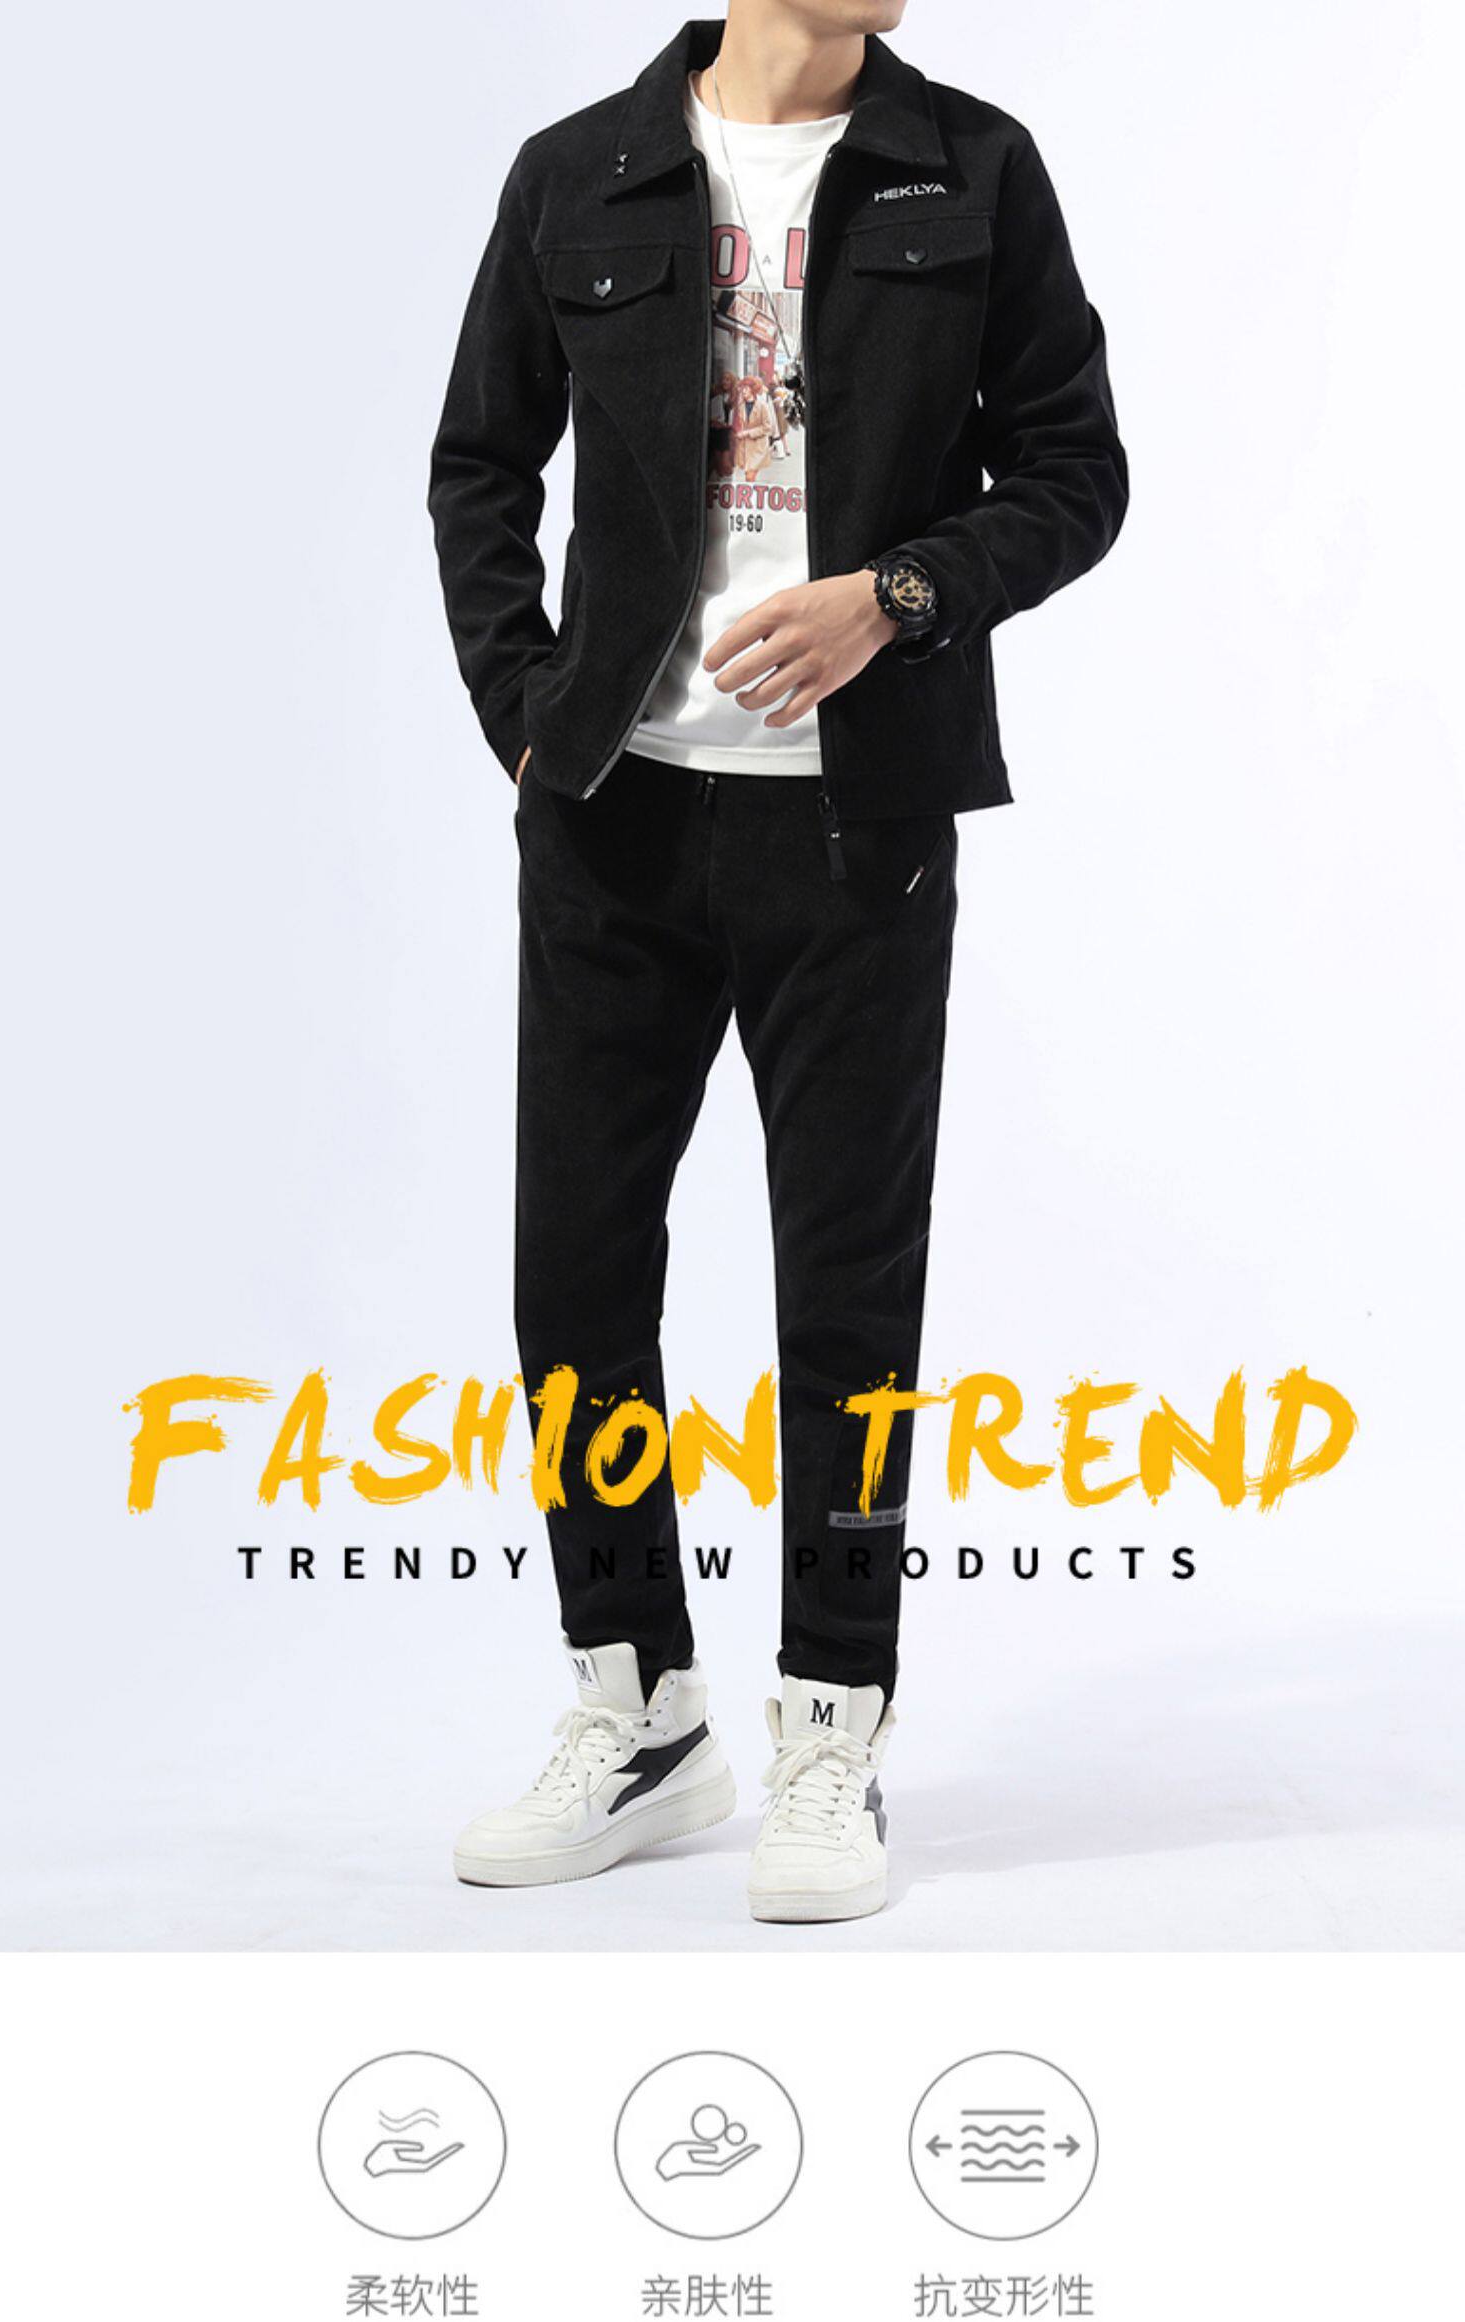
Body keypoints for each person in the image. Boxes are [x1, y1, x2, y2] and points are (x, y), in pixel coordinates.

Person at [429, 3, 1126, 1921]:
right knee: (575, 1280)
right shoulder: (578, 174)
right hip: (615, 826)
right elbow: (479, 465)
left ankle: (832, 1723)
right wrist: (525, 714)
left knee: (846, 1295)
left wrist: (897, 598)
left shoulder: (973, 167)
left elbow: (1075, 470)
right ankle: (641, 1711)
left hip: (857, 831)